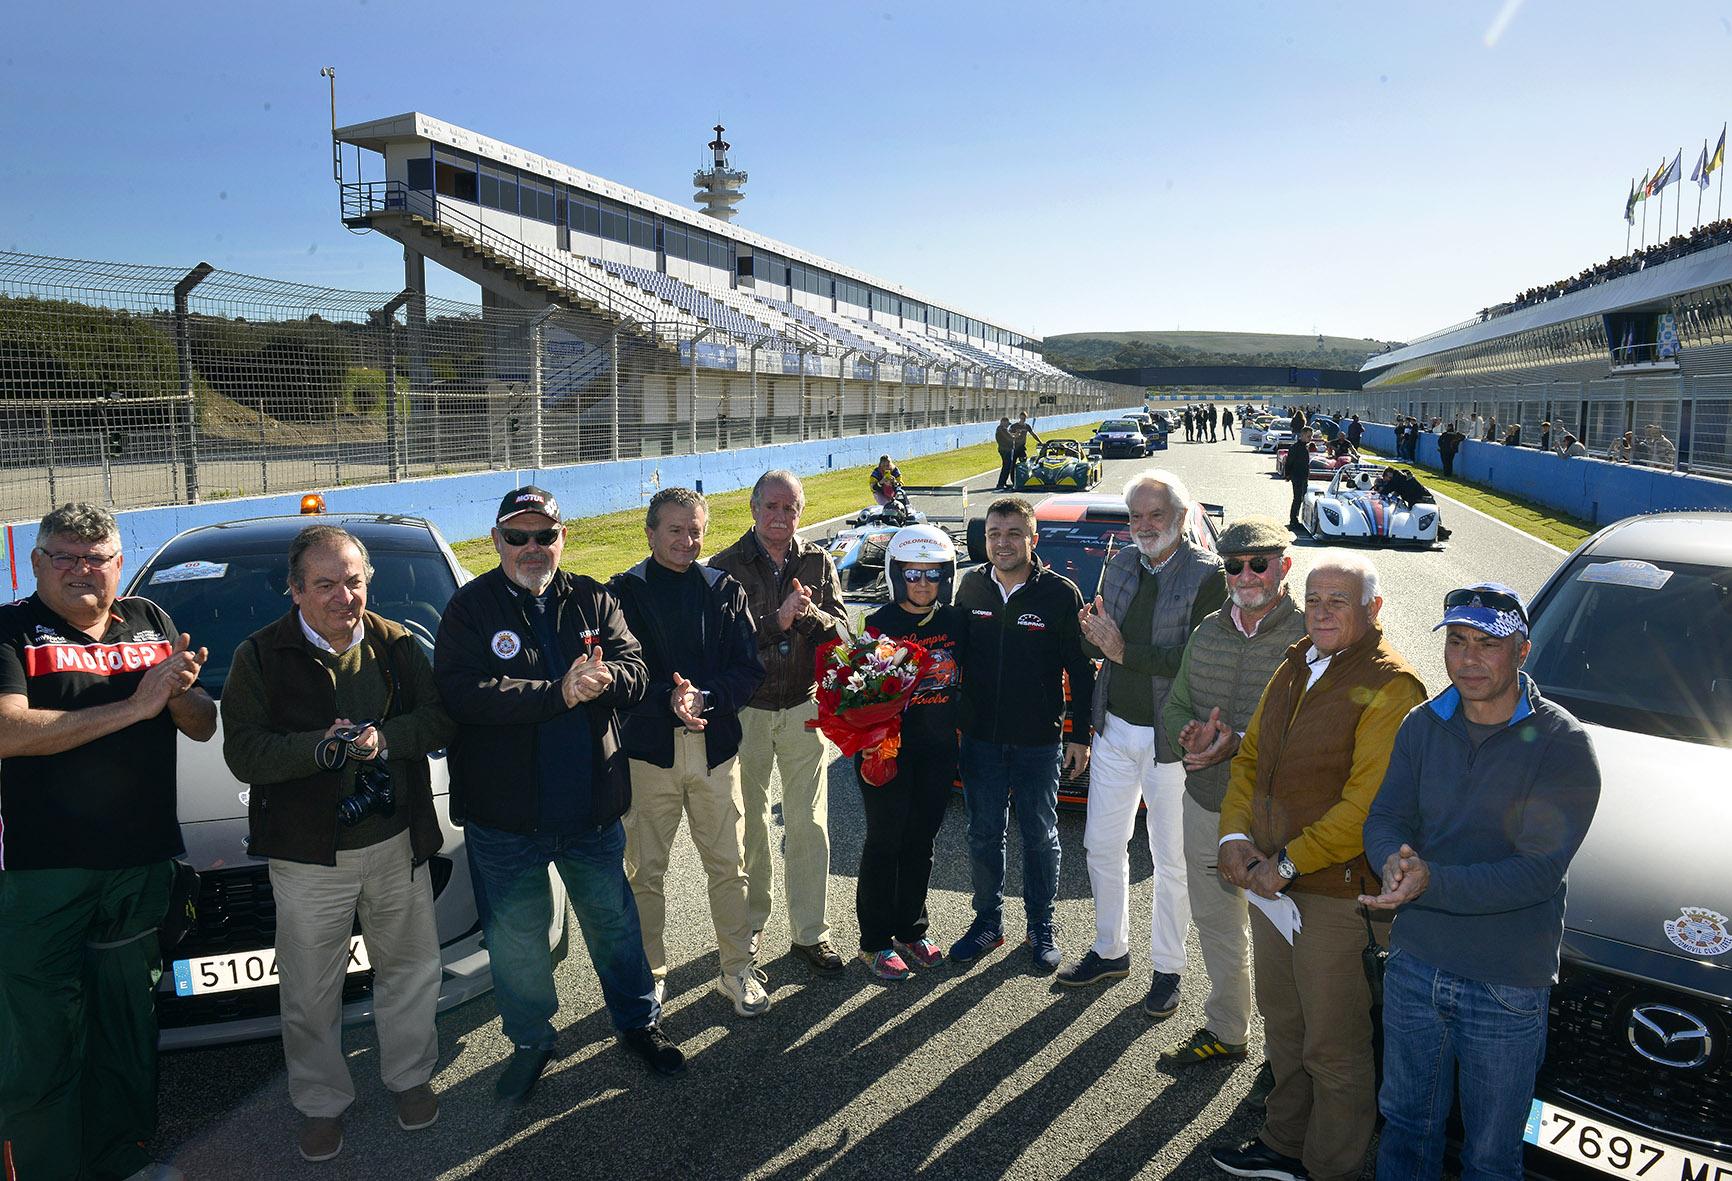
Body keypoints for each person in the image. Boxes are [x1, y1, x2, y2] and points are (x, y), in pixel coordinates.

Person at [435, 486, 683, 1106]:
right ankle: (530, 1041)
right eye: (517, 537)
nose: (531, 548)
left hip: (590, 811)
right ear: (496, 541)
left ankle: (638, 1023)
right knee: (517, 939)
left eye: (543, 536)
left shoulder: (596, 598)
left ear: (561, 538)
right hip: (505, 819)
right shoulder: (469, 608)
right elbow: (463, 694)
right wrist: (557, 692)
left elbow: (637, 671)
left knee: (614, 925)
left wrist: (605, 680)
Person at [222, 524, 454, 1157]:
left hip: (395, 841)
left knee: (409, 970)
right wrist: (316, 751)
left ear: (367, 581)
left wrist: (385, 740)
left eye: (353, 581)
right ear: (295, 591)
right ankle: (321, 1104)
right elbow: (242, 751)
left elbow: (438, 719)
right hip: (307, 858)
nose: (342, 596)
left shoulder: (399, 645)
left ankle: (409, 1078)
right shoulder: (259, 655)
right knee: (309, 990)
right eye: (324, 584)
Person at [0, 503, 216, 1181]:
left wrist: (177, 692)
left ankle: (123, 1162)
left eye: (96, 557)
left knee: (126, 1029)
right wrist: (134, 705)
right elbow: (8, 730)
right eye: (62, 556)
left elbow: (203, 723)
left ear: (119, 564)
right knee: (41, 1042)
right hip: (43, 875)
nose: (80, 570)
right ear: (36, 563)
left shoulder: (151, 620)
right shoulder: (10, 629)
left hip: (140, 864)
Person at [1362, 584, 1600, 1180]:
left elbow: (1538, 872)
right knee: (1405, 1129)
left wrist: (1428, 883)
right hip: (1415, 965)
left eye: (1487, 645)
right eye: (1458, 642)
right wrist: (1391, 859)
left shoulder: (1563, 745)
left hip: (1506, 983)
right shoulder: (1422, 724)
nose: (1467, 659)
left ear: (1522, 651)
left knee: (1491, 1156)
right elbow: (1387, 817)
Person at [1207, 554, 1428, 1181]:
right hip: (1271, 882)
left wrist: (1289, 862)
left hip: (1335, 893)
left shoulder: (1392, 686)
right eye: (1314, 598)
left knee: (1334, 1048)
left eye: (1339, 600)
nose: (1323, 611)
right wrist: (1233, 835)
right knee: (1285, 1027)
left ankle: (1332, 1167)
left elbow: (1368, 805)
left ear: (1373, 609)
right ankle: (1284, 1145)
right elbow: (1250, 760)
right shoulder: (1296, 663)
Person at [1061, 472, 1225, 1018]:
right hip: (1113, 728)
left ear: (1180, 518)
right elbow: (1105, 635)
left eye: (1155, 515)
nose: (1144, 526)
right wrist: (1094, 632)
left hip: (1169, 738)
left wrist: (1122, 650)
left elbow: (1195, 663)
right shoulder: (1123, 558)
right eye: (1136, 516)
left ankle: (1167, 968)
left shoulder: (1209, 576)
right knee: (1101, 846)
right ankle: (1110, 950)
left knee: (1170, 859)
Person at [609, 488, 770, 1018]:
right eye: (675, 529)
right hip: (649, 755)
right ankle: (651, 977)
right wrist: (668, 699)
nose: (687, 540)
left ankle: (737, 970)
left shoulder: (723, 589)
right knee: (644, 871)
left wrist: (705, 697)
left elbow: (747, 669)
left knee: (729, 866)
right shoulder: (622, 592)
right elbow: (618, 674)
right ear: (650, 532)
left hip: (714, 750)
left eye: (696, 529)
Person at [1157, 516, 1307, 1068]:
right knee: (1217, 924)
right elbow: (1175, 705)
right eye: (1234, 566)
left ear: (1283, 567)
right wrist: (1188, 735)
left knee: (1283, 937)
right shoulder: (1207, 632)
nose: (1246, 575)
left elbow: (1312, 736)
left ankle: (1285, 1055)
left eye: (1259, 563)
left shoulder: (1310, 638)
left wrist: (1236, 743)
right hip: (1206, 801)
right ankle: (1228, 1029)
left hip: (1277, 817)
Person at [709, 470, 849, 975]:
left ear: (801, 511)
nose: (780, 517)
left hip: (803, 709)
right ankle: (750, 924)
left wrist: (810, 616)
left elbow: (843, 630)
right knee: (749, 824)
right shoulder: (725, 566)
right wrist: (777, 621)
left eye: (790, 508)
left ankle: (811, 933)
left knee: (809, 824)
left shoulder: (818, 561)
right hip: (746, 710)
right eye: (771, 506)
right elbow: (718, 646)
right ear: (753, 509)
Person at [949, 496, 1094, 970]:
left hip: (1038, 741)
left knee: (1039, 835)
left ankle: (1040, 927)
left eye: (1014, 534)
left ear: (1033, 539)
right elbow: (951, 662)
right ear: (984, 539)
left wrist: (1080, 735)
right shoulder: (969, 588)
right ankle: (988, 923)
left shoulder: (1060, 593)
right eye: (994, 534)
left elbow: (1081, 668)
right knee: (984, 834)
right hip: (980, 739)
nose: (1003, 543)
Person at [853, 525, 965, 980]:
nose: (923, 583)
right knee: (885, 841)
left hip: (938, 752)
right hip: (888, 752)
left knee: (921, 841)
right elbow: (857, 692)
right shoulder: (879, 624)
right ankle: (874, 940)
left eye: (933, 574)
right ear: (896, 574)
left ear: (947, 576)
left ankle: (910, 929)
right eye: (913, 574)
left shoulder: (956, 622)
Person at [1284, 426, 1314, 529]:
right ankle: (1293, 520)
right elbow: (1289, 462)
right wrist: (1287, 474)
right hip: (1297, 476)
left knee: (1303, 498)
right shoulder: (1295, 447)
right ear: (1302, 435)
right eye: (1308, 436)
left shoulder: (1306, 446)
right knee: (1297, 498)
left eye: (1311, 436)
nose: (1310, 438)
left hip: (1304, 476)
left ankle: (1301, 519)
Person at [994, 416, 1016, 490]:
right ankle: (1001, 484)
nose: (1007, 426)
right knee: (1006, 466)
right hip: (1005, 450)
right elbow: (1010, 437)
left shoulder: (1002, 429)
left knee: (1007, 466)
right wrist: (1016, 435)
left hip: (1005, 449)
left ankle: (1003, 482)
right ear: (1003, 422)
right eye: (1007, 424)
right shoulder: (1002, 429)